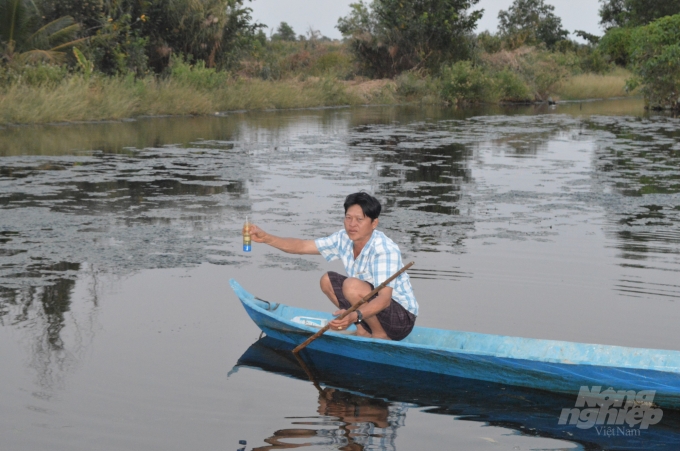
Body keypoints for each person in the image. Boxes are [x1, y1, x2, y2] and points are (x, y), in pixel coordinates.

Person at [248, 192, 418, 341]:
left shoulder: (384, 250)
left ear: (374, 223)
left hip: (400, 320)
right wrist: (266, 238)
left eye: (359, 219)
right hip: (369, 311)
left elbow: (384, 300)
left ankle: (380, 335)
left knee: (351, 285)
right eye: (348, 218)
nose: (352, 224)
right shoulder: (343, 239)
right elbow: (302, 246)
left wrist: (354, 316)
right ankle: (363, 331)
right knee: (327, 280)